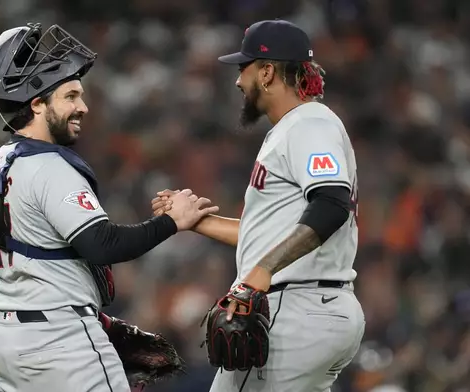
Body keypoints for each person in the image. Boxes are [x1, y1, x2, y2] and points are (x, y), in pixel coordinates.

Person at [0, 23, 217, 392]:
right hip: (61, 342)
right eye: (70, 96)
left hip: (7, 341)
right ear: (37, 103)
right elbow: (103, 244)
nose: (82, 107)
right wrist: (171, 221)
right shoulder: (49, 165)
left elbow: (41, 257)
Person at [152, 19, 365, 392]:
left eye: (243, 68)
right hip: (316, 307)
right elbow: (274, 234)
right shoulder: (292, 128)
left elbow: (332, 204)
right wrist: (196, 221)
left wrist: (262, 271)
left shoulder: (309, 124)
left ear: (267, 71)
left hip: (297, 307)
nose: (238, 81)